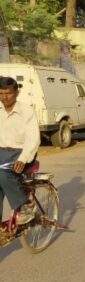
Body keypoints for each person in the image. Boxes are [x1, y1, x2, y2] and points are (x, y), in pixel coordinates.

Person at [0, 76, 40, 225]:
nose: (4, 97)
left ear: (17, 92)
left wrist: (23, 159)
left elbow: (32, 138)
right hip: (1, 152)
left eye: (8, 93)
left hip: (21, 152)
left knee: (2, 174)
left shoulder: (26, 111)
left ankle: (25, 206)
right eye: (1, 93)